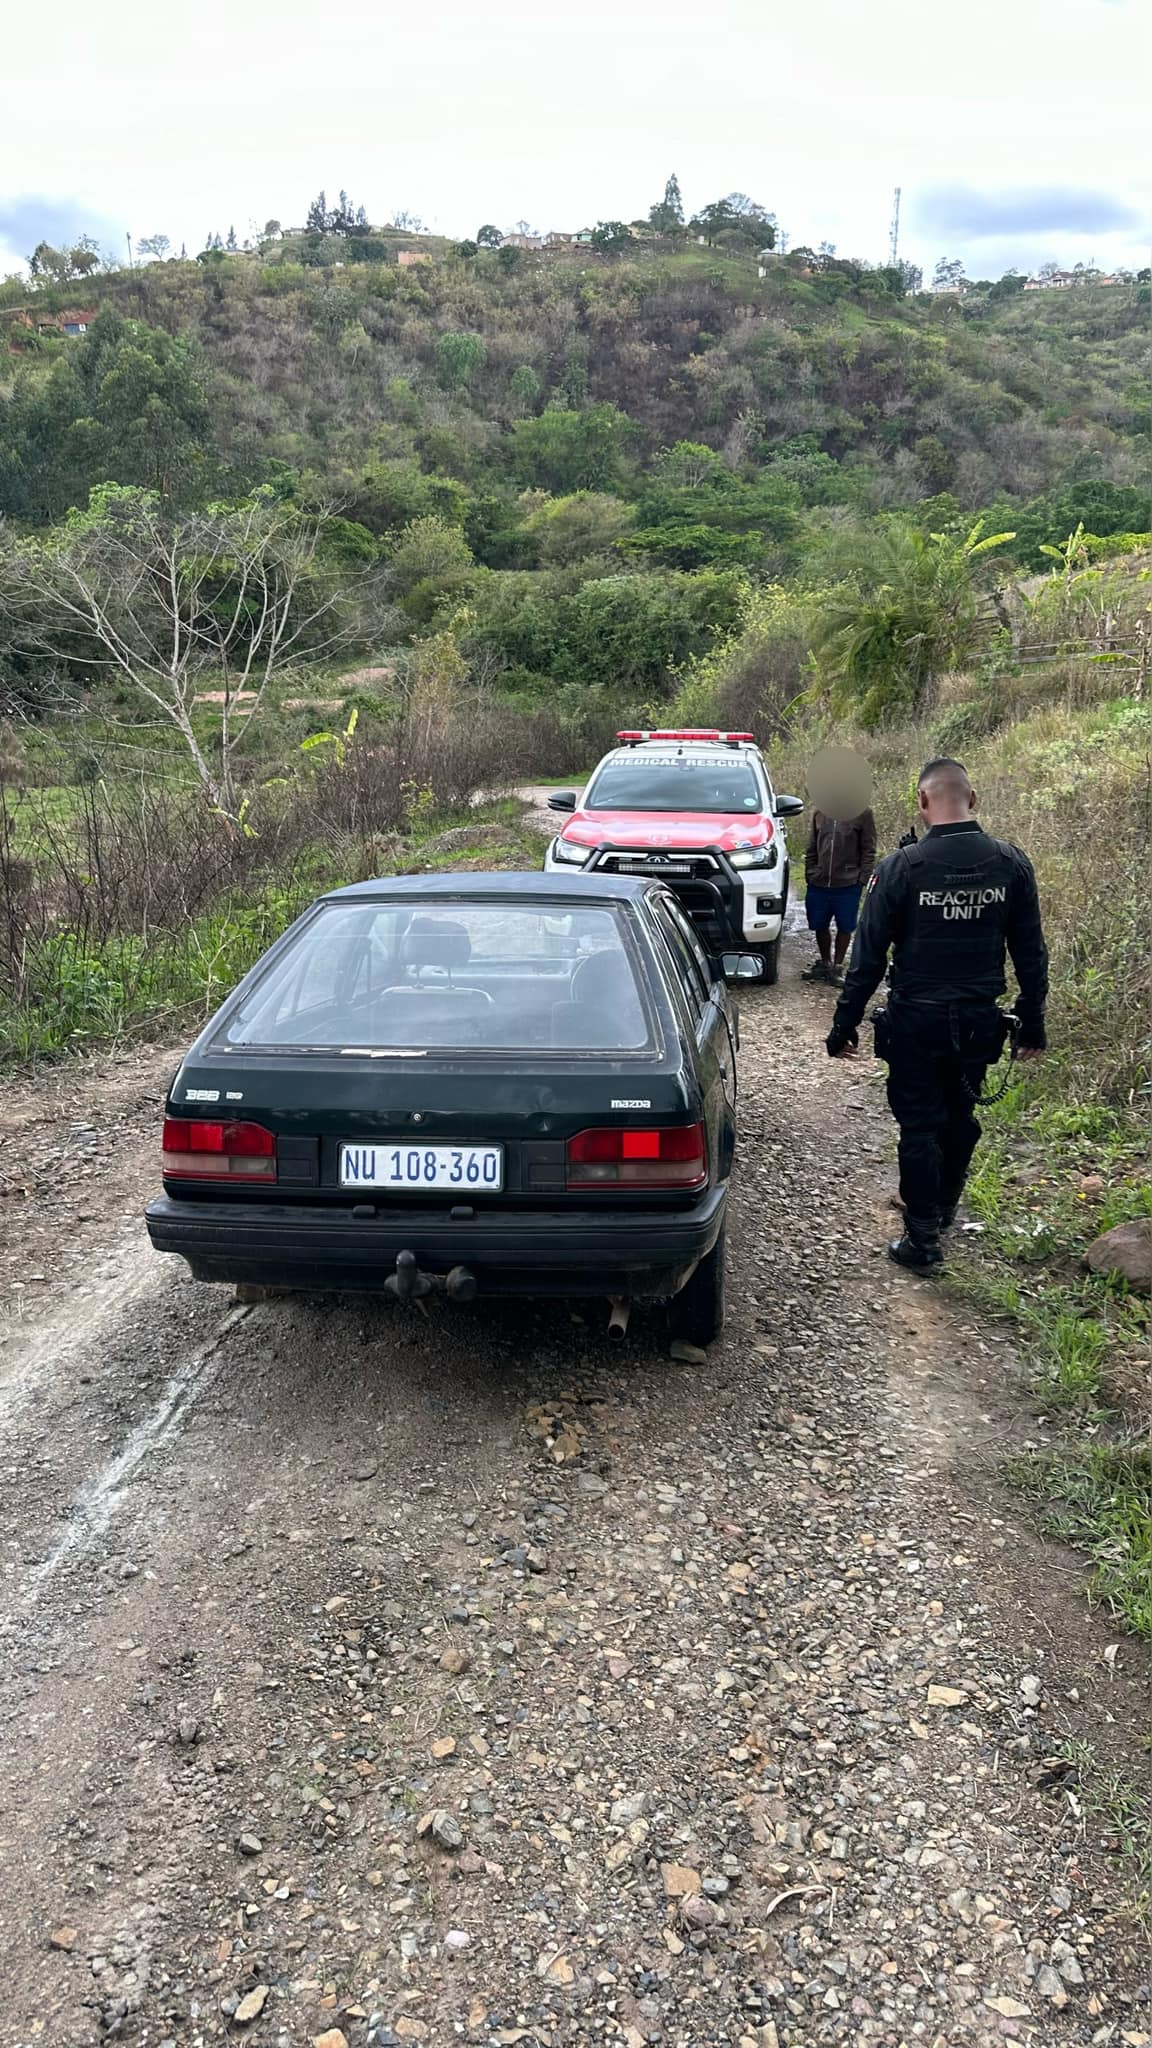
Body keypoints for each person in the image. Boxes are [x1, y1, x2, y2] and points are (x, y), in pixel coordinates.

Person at [825, 757, 1048, 1270]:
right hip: (977, 1021)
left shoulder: (901, 869)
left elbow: (867, 958)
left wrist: (844, 1025)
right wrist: (1031, 1021)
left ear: (923, 803)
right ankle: (942, 1209)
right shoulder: (1010, 864)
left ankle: (923, 1240)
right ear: (973, 799)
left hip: (916, 1021)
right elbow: (1031, 954)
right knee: (960, 1117)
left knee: (921, 1127)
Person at [802, 804, 877, 983]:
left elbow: (869, 848)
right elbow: (812, 846)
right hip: (819, 882)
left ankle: (838, 967)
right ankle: (825, 963)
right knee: (819, 923)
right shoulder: (819, 812)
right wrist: (810, 873)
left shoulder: (863, 813)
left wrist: (862, 879)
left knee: (845, 925)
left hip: (848, 883)